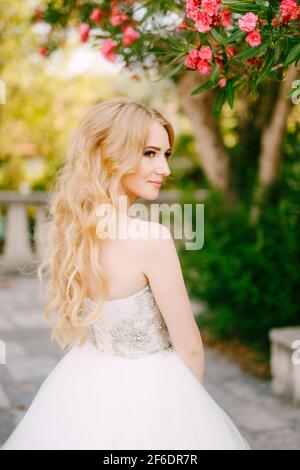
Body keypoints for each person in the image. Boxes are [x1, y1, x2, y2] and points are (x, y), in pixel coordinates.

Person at [1, 97, 250, 450]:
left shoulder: (75, 233)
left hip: (88, 381)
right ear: (110, 155)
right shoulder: (151, 238)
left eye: (165, 154)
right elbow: (190, 345)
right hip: (152, 387)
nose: (164, 168)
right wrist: (193, 414)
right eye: (149, 153)